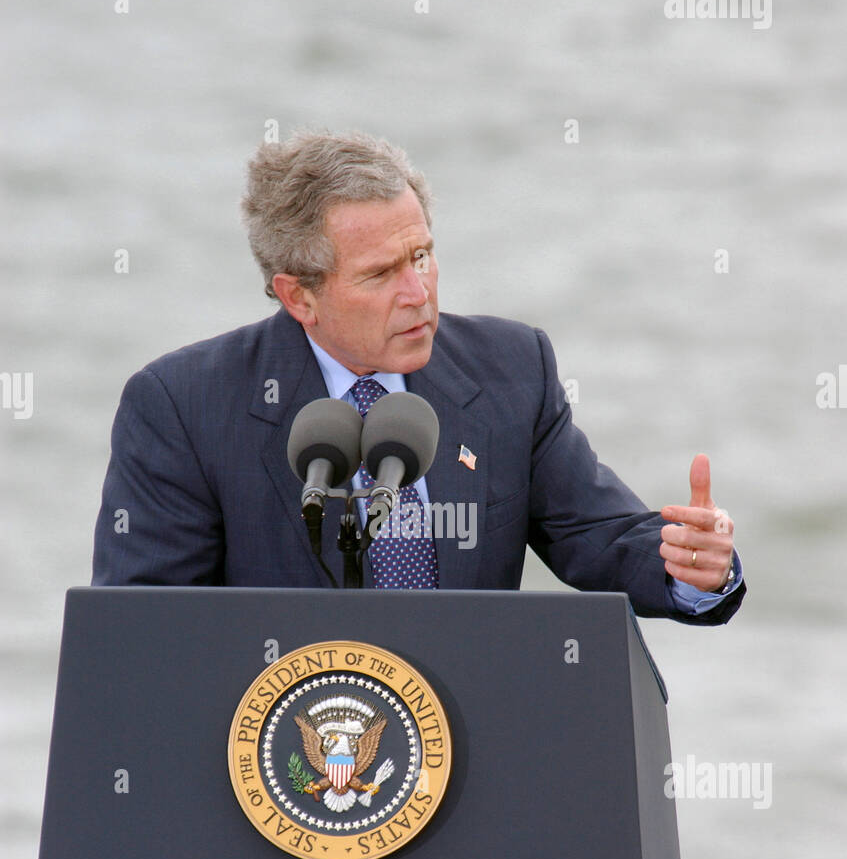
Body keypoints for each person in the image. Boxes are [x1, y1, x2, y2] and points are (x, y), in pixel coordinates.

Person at [91, 129, 744, 624]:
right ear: (298, 297)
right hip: (277, 770)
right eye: (380, 274)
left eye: (422, 256)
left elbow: (594, 533)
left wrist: (688, 564)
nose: (418, 293)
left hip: (467, 750)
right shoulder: (183, 407)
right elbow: (144, 627)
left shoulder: (511, 369)